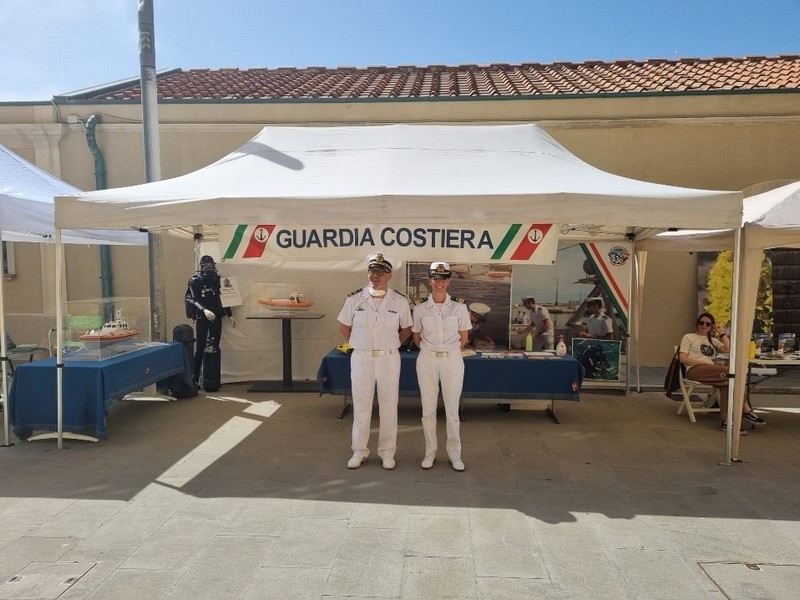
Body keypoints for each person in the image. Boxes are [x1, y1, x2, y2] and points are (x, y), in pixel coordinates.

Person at [337, 252, 413, 470]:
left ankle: (387, 452)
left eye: (380, 272)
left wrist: (391, 344)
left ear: (389, 275)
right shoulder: (354, 299)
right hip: (362, 358)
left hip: (389, 358)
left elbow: (407, 329)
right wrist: (360, 343)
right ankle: (359, 451)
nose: (375, 276)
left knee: (389, 405)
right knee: (361, 405)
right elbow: (344, 326)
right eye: (372, 271)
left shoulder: (399, 301)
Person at [412, 261, 472, 472]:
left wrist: (447, 351)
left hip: (452, 360)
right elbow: (416, 337)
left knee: (452, 410)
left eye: (443, 279)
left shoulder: (459, 306)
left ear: (449, 281)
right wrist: (432, 350)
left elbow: (464, 338)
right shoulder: (420, 307)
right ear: (430, 280)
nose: (439, 282)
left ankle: (455, 454)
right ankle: (430, 452)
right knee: (428, 410)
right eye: (435, 279)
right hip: (427, 360)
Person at [679, 312, 765, 431]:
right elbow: (682, 358)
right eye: (701, 323)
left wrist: (721, 332)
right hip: (694, 370)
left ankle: (726, 421)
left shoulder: (712, 340)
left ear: (711, 327)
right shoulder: (688, 337)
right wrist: (703, 362)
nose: (704, 326)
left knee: (727, 382)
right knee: (731, 373)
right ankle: (746, 410)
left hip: (711, 371)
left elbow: (729, 349)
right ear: (697, 324)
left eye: (708, 324)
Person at [185, 255, 236, 386]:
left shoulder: (217, 280)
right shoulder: (194, 281)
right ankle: (195, 378)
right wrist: (204, 310)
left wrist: (229, 314)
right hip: (203, 317)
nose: (209, 268)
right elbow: (194, 299)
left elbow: (223, 298)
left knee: (215, 347)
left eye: (210, 265)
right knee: (200, 347)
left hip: (216, 316)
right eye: (206, 265)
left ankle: (214, 378)